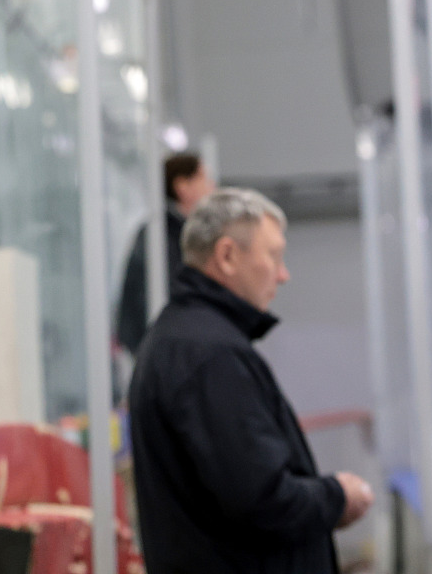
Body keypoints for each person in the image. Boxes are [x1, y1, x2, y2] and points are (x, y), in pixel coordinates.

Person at [129, 188, 373, 574]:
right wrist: (337, 497)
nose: (283, 274)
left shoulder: (184, 339)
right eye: (273, 256)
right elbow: (262, 499)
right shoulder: (210, 355)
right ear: (227, 256)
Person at [116, 152, 216, 354]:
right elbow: (147, 302)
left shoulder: (181, 234)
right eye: (203, 178)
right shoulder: (160, 236)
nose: (212, 186)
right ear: (182, 187)